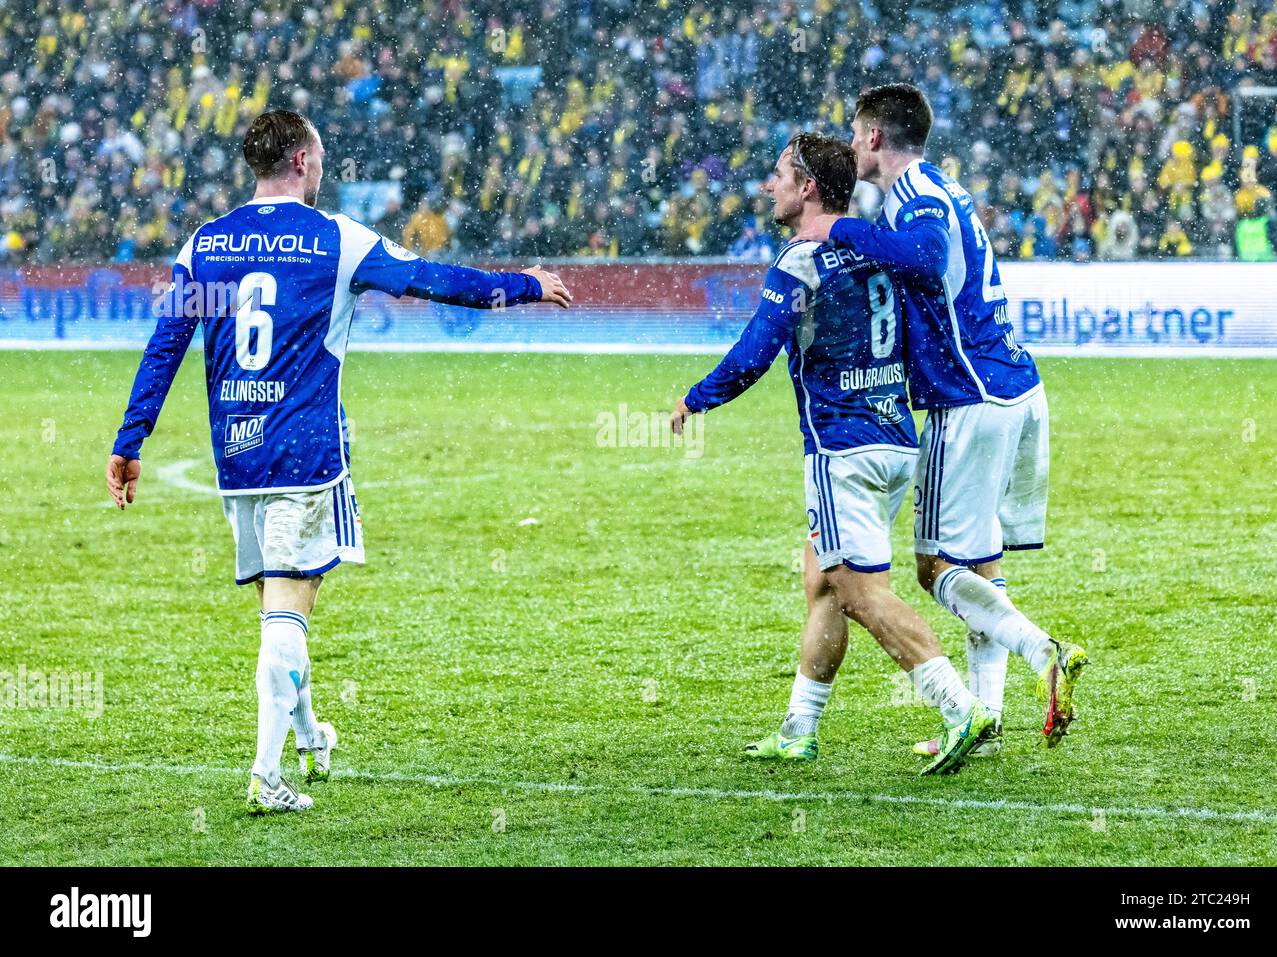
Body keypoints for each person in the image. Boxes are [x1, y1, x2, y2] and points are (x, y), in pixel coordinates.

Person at [105, 110, 572, 814]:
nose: (322, 168)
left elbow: (166, 342)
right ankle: (265, 776)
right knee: (290, 606)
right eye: (319, 157)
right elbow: (431, 280)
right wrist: (524, 285)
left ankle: (308, 734)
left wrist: (130, 437)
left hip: (237, 451)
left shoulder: (206, 243)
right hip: (305, 448)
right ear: (300, 160)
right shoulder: (337, 240)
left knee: (281, 603)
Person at [670, 132, 997, 776]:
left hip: (842, 448)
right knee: (821, 577)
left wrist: (695, 399)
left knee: (858, 591)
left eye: (778, 176)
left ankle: (961, 708)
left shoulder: (799, 261)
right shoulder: (875, 251)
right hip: (897, 437)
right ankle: (799, 727)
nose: (769, 186)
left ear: (808, 189)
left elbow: (754, 354)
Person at [797, 84, 1088, 753]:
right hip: (1013, 387)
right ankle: (985, 724)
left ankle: (1045, 650)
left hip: (971, 397)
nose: (848, 142)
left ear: (873, 137)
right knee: (981, 563)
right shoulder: (942, 188)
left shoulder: (916, 198)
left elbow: (926, 262)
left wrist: (840, 228)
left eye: (853, 130)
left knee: (934, 568)